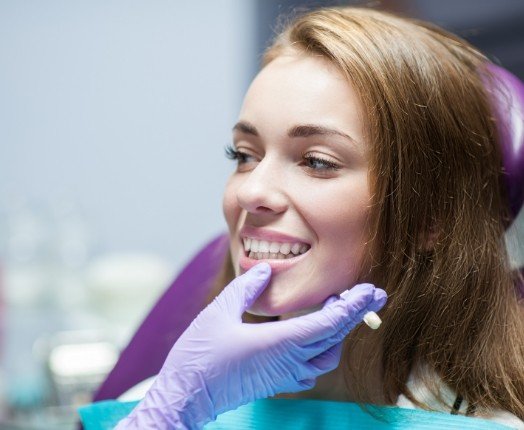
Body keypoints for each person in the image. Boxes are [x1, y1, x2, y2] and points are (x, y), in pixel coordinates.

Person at [105, 6, 524, 429]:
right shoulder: (160, 405)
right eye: (245, 155)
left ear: (429, 218)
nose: (250, 192)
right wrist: (173, 408)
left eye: (317, 162)